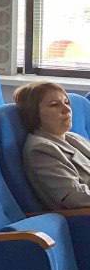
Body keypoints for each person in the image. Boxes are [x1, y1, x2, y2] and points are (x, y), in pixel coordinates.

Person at [16, 82, 90, 210]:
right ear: (34, 113)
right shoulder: (40, 149)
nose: (67, 109)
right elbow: (75, 197)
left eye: (66, 102)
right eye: (54, 105)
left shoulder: (73, 138)